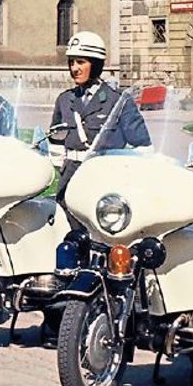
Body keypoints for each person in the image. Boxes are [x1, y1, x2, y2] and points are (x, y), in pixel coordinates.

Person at [45, 31, 151, 349]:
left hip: (105, 187)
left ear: (96, 64)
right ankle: (62, 321)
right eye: (72, 62)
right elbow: (55, 141)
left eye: (81, 62)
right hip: (72, 185)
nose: (75, 68)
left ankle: (119, 319)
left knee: (109, 254)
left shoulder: (118, 102)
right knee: (69, 251)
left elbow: (141, 145)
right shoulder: (65, 101)